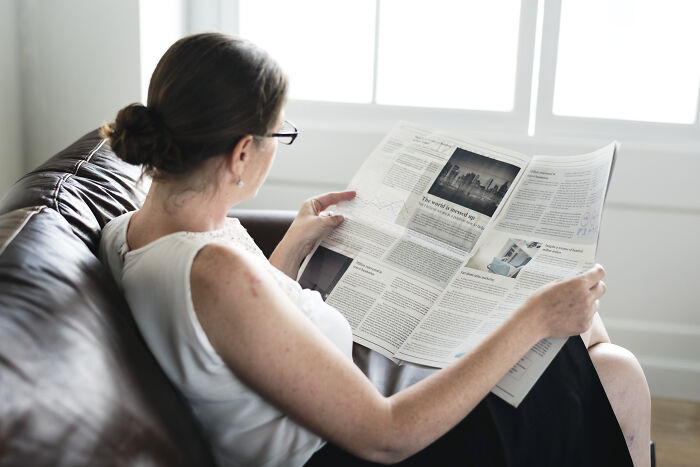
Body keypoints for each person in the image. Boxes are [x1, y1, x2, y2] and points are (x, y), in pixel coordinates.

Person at [99, 33, 650, 466]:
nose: (278, 149)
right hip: (348, 450)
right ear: (242, 153)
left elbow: (228, 336)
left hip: (337, 410)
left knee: (587, 337)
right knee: (611, 368)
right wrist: (532, 319)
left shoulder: (132, 230)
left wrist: (290, 248)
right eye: (279, 136)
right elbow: (387, 437)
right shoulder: (210, 269)